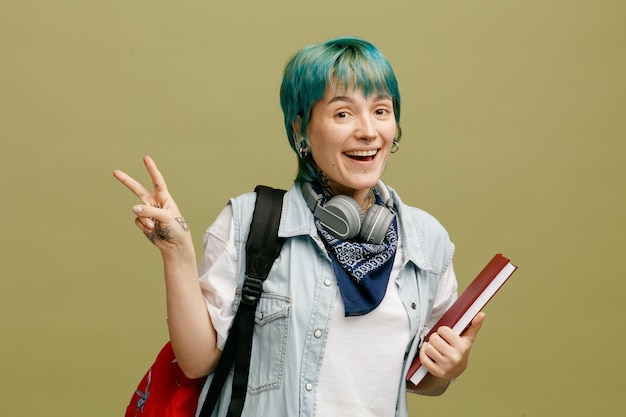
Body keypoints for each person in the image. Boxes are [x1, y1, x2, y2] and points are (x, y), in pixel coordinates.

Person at [114, 36, 485, 417]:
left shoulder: (427, 242)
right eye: (343, 114)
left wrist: (451, 367)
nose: (367, 131)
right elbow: (196, 361)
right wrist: (177, 252)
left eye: (380, 111)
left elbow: (419, 376)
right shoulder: (252, 224)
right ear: (301, 129)